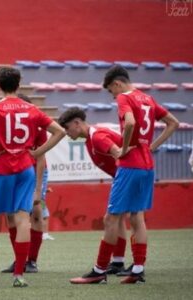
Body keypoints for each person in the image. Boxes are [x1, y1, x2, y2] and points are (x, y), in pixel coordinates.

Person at [69, 65, 179, 284]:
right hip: (147, 165)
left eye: (111, 91)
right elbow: (173, 123)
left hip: (130, 165)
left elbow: (129, 122)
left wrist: (125, 149)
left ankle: (99, 270)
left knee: (112, 218)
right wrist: (150, 146)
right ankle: (137, 269)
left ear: (117, 84)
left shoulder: (125, 98)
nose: (113, 96)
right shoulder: (147, 99)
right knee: (137, 217)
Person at [0, 67, 65, 287]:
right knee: (22, 219)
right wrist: (37, 152)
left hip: (1, 169)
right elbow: (60, 131)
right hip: (25, 169)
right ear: (19, 84)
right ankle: (19, 275)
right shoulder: (32, 109)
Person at [58, 107, 131, 275]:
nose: (66, 133)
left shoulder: (97, 137)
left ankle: (110, 269)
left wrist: (124, 179)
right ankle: (119, 263)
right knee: (118, 219)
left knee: (117, 219)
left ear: (77, 123)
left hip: (127, 176)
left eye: (67, 128)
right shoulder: (90, 139)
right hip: (124, 176)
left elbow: (119, 153)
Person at [1, 94, 50, 274]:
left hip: (36, 171)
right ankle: (19, 260)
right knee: (11, 215)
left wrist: (38, 188)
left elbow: (41, 157)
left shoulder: (37, 126)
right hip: (12, 171)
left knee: (36, 212)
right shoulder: (6, 123)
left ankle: (32, 261)